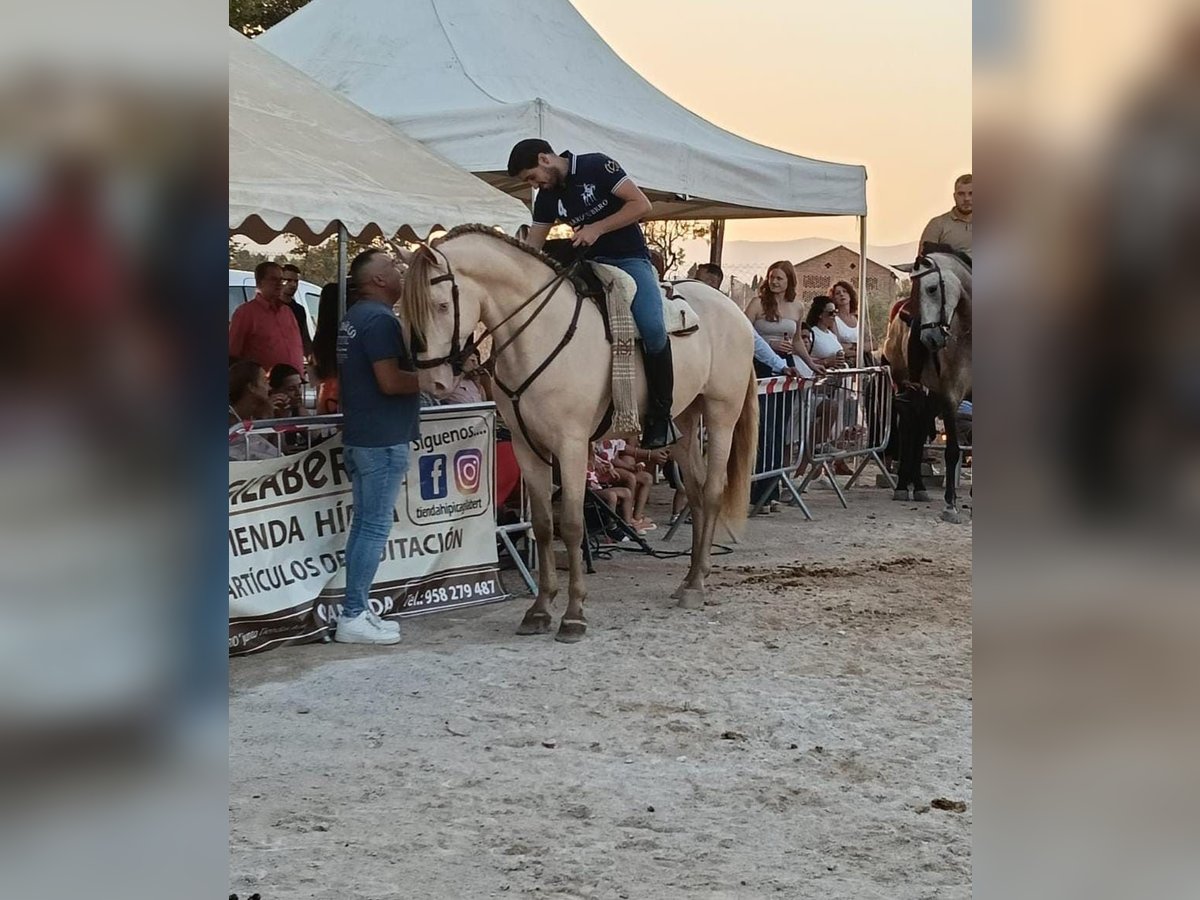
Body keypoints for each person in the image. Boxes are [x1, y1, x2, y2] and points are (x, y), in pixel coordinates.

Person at [507, 138, 677, 449]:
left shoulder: (595, 165)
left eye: (532, 177)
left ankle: (661, 415)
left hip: (629, 259)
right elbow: (533, 245)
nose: (534, 185)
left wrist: (597, 228)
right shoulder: (546, 197)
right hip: (586, 263)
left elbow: (641, 204)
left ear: (545, 159)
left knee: (653, 327)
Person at [333, 248, 422, 646]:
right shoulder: (382, 320)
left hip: (362, 435)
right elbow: (390, 382)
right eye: (393, 267)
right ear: (378, 281)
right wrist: (435, 380)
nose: (401, 271)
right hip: (382, 438)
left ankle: (358, 605)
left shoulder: (354, 318)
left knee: (364, 526)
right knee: (373, 526)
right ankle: (352, 615)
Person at [744, 261, 825, 378]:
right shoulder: (757, 303)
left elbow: (797, 340)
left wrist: (811, 364)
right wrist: (769, 344)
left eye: (779, 278)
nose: (774, 282)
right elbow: (744, 333)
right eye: (771, 277)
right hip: (759, 362)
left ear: (789, 281)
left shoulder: (798, 307)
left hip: (787, 362)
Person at [228, 260, 304, 375]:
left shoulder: (287, 312)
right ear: (259, 282)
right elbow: (233, 354)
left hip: (293, 385)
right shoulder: (245, 313)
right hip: (264, 387)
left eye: (281, 280)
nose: (279, 284)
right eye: (274, 279)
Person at [228, 360, 281, 461]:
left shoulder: (253, 414)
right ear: (251, 387)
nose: (269, 388)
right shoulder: (230, 423)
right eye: (265, 382)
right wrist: (265, 421)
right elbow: (260, 456)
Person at [919, 174, 972, 256]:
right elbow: (924, 262)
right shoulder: (937, 224)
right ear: (954, 196)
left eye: (971, 193)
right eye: (961, 194)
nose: (966, 199)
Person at [311, 281, 344, 415]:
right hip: (338, 395)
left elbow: (315, 377)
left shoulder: (320, 338)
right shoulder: (345, 334)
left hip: (325, 396)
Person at [830, 279, 873, 365]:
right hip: (845, 364)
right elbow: (838, 347)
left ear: (850, 295)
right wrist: (861, 348)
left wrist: (853, 347)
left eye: (845, 291)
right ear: (834, 298)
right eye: (838, 293)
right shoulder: (833, 320)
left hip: (864, 363)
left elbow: (873, 344)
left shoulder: (858, 318)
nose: (842, 294)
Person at [281, 263, 314, 360]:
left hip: (294, 359)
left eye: (296, 281)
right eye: (288, 280)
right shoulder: (271, 307)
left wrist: (310, 356)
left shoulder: (299, 310)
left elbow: (304, 337)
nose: (293, 285)